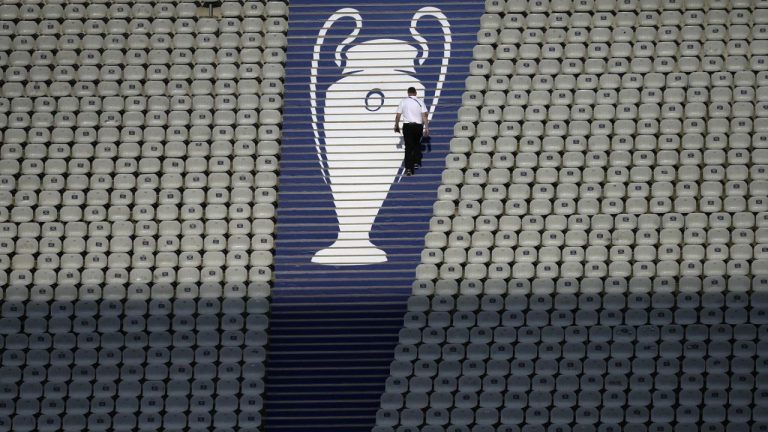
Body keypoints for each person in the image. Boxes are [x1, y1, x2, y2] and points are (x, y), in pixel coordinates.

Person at [394, 87, 429, 176]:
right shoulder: (420, 102)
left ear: (408, 93)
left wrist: (396, 125)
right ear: (416, 93)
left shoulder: (403, 101)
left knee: (408, 147)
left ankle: (408, 169)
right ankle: (416, 162)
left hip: (407, 126)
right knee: (417, 144)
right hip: (418, 126)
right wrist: (426, 128)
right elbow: (425, 115)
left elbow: (398, 115)